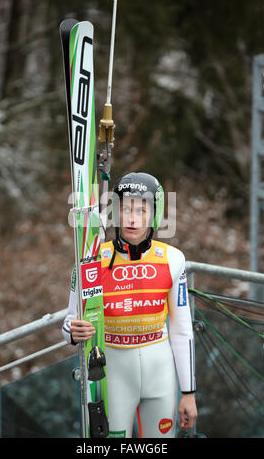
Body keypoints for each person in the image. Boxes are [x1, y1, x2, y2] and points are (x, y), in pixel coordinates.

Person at [62, 172, 197, 438]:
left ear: (154, 215)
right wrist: (72, 332)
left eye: (142, 210)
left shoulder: (173, 259)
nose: (132, 219)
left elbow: (182, 330)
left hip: (161, 371)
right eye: (125, 209)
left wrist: (189, 393)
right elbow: (68, 322)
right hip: (113, 371)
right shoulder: (91, 259)